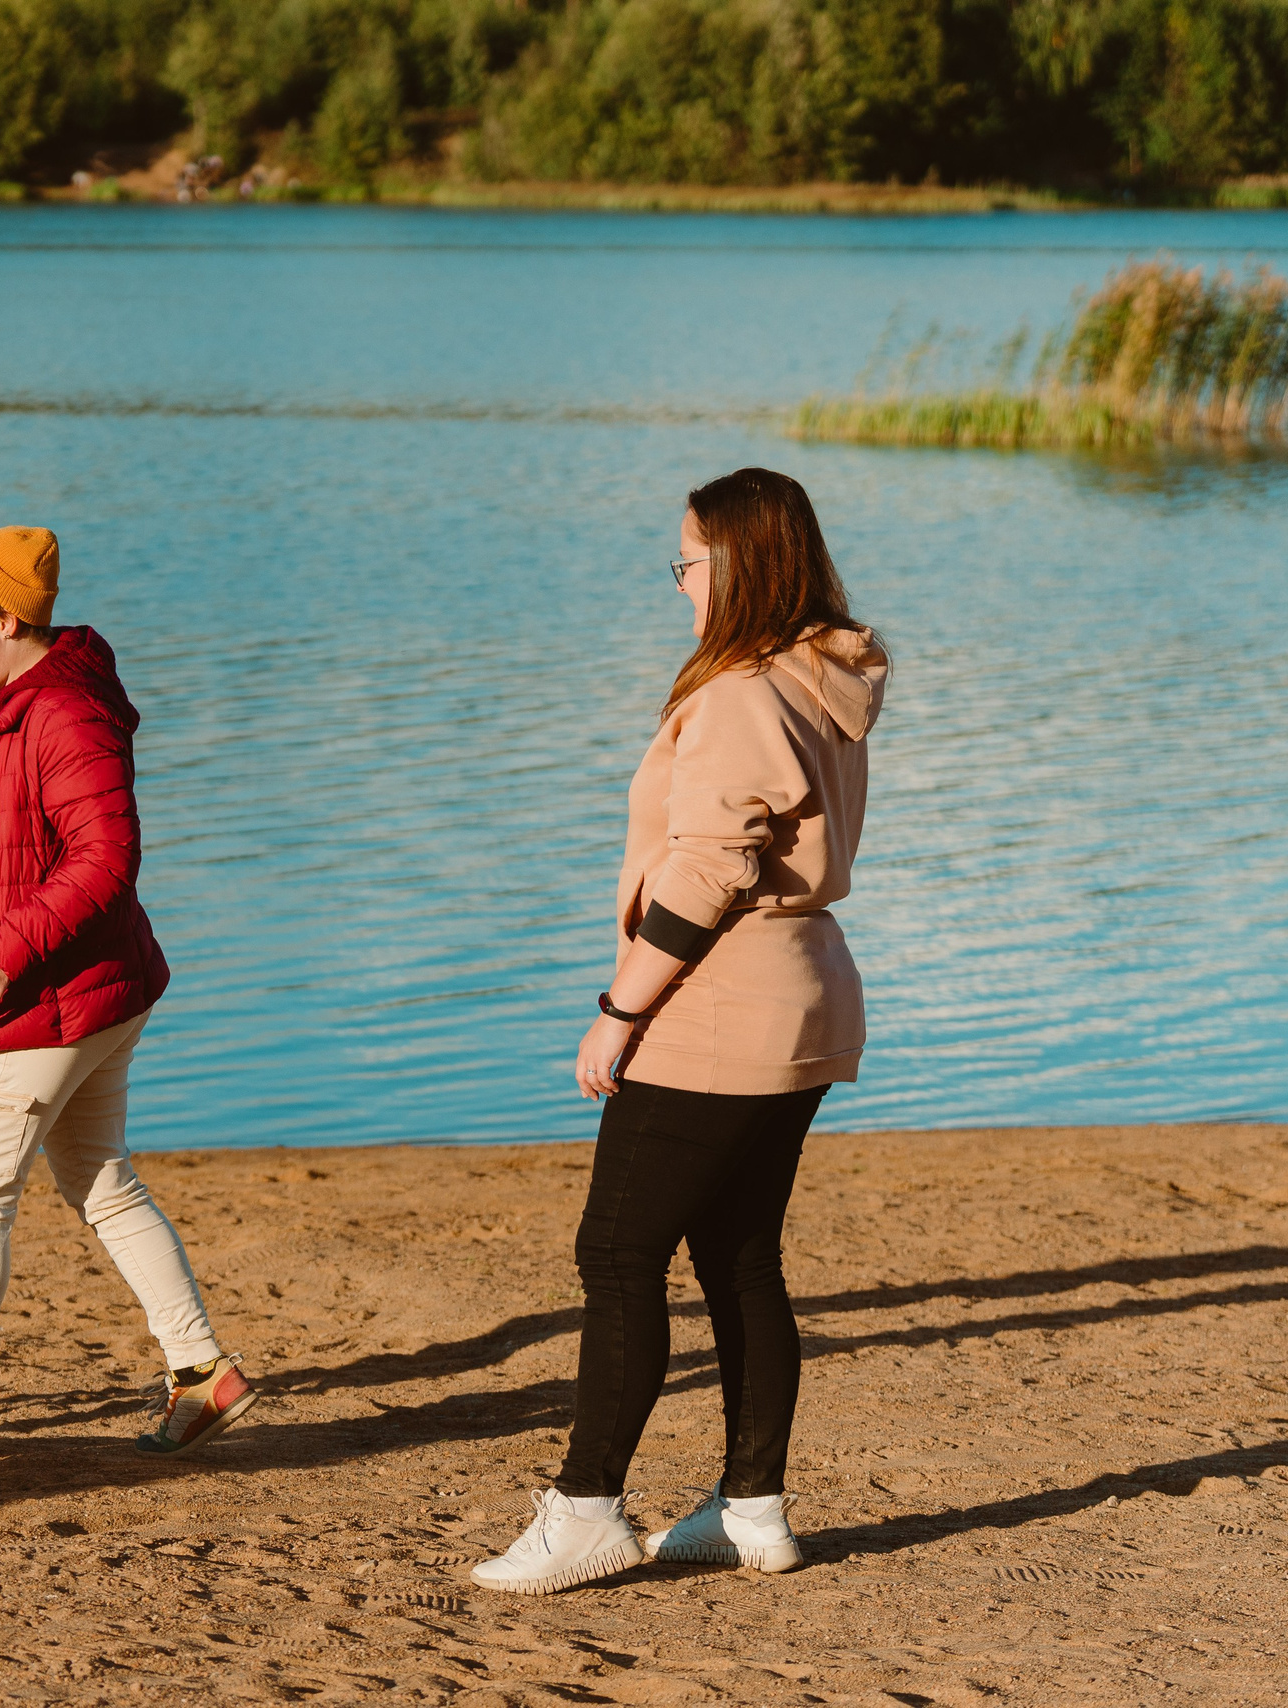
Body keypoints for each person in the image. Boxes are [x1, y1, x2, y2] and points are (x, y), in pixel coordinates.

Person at [473, 469, 890, 1595]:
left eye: (687, 562)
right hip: (806, 993)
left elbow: (710, 866)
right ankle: (750, 1506)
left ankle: (586, 1510)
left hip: (721, 1002)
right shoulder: (823, 678)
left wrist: (618, 1008)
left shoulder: (742, 694)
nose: (679, 585)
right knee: (739, 1253)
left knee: (616, 1254)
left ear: (738, 563)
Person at [0, 526, 257, 1465]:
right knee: (99, 1179)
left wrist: (4, 948)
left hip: (50, 994)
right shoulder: (3, 698)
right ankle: (203, 1373)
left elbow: (106, 857)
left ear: (7, 618)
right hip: (96, 985)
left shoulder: (61, 712)